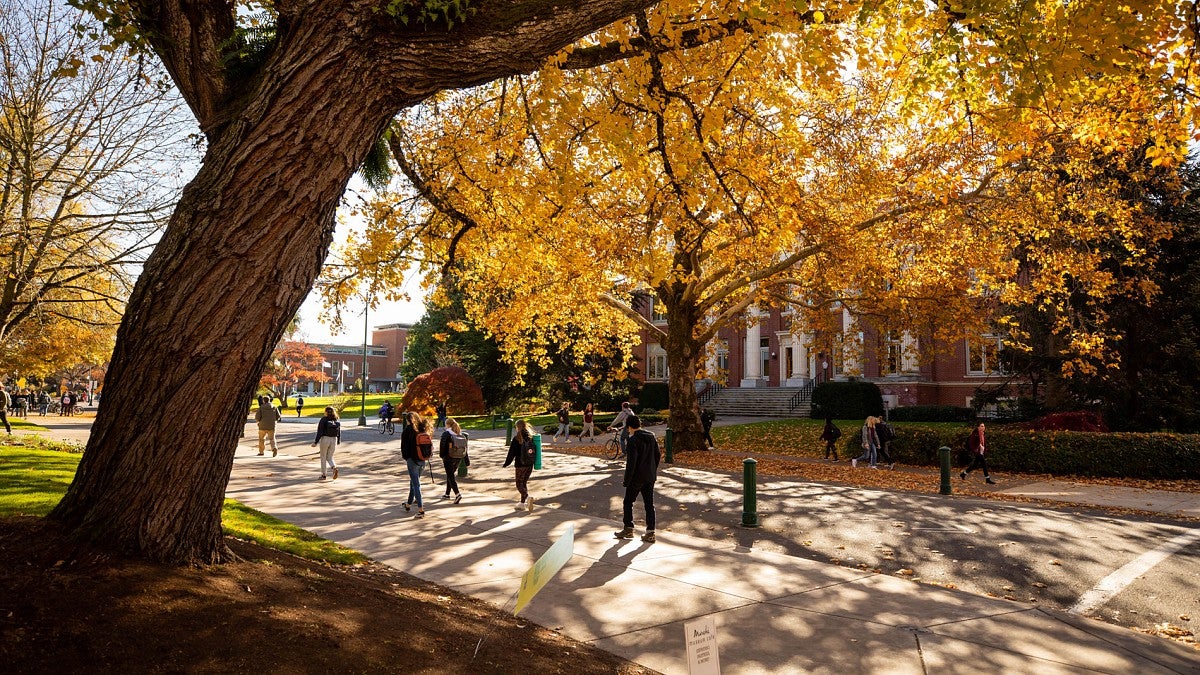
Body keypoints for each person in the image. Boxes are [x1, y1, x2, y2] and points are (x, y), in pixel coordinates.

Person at [614, 415, 661, 543]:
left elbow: (631, 463)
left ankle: (628, 528)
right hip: (650, 476)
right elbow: (658, 455)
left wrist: (627, 480)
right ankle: (650, 532)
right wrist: (652, 470)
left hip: (637, 478)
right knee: (649, 504)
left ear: (629, 427)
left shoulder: (633, 440)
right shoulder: (651, 436)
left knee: (628, 502)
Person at [504, 419, 537, 511]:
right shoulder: (531, 437)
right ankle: (522, 504)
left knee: (519, 484)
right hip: (530, 464)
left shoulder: (516, 438)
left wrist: (506, 463)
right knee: (524, 483)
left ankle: (527, 498)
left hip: (520, 464)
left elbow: (511, 453)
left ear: (517, 427)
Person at [402, 416, 430, 517]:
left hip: (412, 460)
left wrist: (407, 458)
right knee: (413, 482)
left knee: (416, 485)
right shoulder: (422, 429)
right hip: (423, 459)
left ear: (408, 420)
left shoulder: (407, 431)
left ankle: (421, 510)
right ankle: (408, 504)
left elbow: (403, 448)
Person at [439, 417, 467, 503]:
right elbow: (465, 447)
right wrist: (466, 459)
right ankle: (447, 494)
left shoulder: (446, 434)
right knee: (450, 474)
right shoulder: (459, 433)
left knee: (451, 476)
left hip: (448, 457)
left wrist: (442, 455)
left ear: (448, 425)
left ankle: (457, 494)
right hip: (458, 457)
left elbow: (443, 446)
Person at [311, 406, 341, 480]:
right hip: (334, 439)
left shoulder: (324, 419)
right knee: (330, 457)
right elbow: (339, 431)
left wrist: (316, 442)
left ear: (326, 412)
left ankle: (324, 475)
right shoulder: (336, 419)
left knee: (323, 457)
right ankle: (334, 467)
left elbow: (320, 431)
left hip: (325, 439)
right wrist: (338, 440)